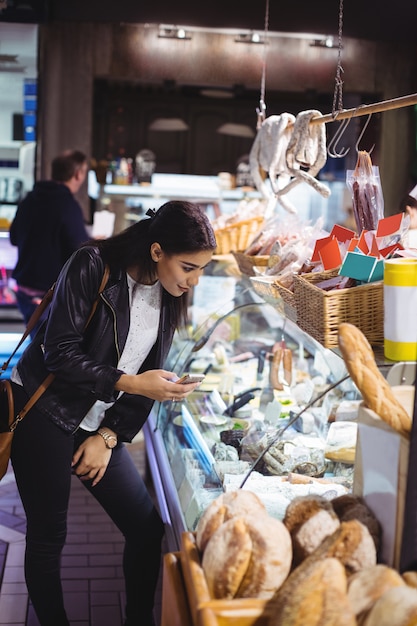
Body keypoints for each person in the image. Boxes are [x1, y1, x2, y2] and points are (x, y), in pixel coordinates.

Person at [9, 200, 217, 626]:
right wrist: (130, 382)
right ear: (158, 251)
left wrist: (107, 437)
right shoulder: (92, 264)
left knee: (145, 530)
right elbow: (58, 353)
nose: (195, 281)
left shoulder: (170, 293)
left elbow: (149, 374)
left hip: (96, 423)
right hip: (45, 413)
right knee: (49, 538)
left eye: (202, 270)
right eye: (189, 267)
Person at [9, 149, 90, 332]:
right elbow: (79, 251)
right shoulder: (68, 206)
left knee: (37, 347)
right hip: (47, 294)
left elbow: (14, 238)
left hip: (24, 291)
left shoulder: (30, 199)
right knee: (47, 353)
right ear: (78, 174)